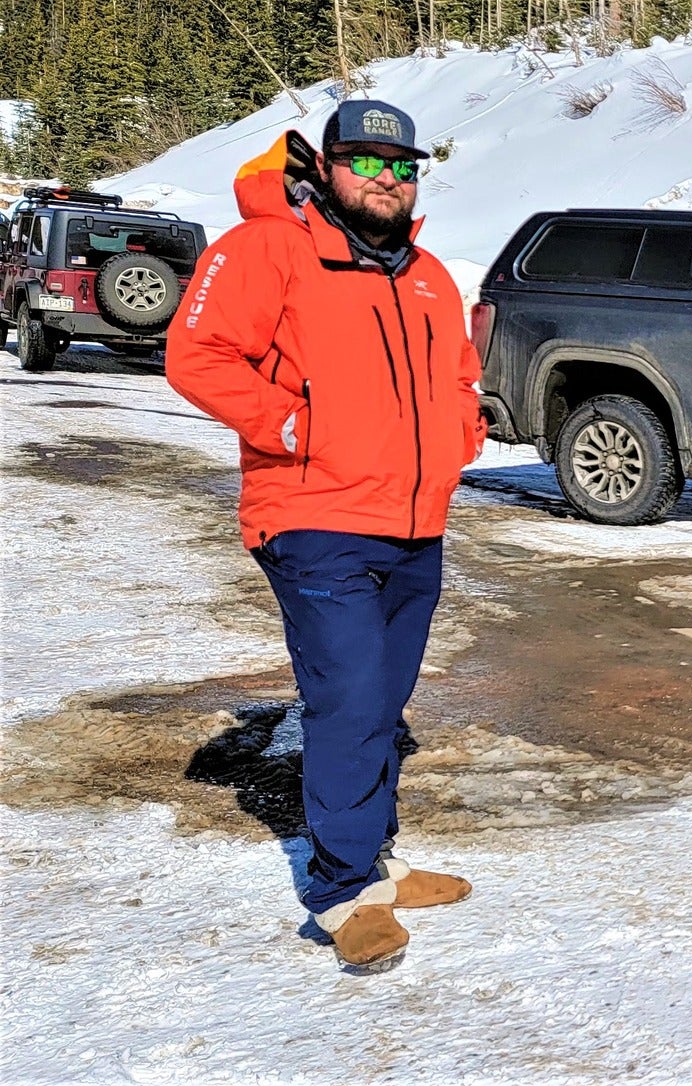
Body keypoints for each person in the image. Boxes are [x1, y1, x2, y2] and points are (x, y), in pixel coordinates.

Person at [167, 101, 486, 972]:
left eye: (404, 165)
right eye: (368, 161)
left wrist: (463, 434)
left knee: (383, 701)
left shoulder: (424, 274)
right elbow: (196, 356)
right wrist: (293, 428)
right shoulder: (268, 247)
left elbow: (461, 376)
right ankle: (342, 889)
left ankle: (376, 861)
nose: (388, 179)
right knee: (347, 699)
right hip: (314, 520)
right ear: (326, 166)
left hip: (416, 524)